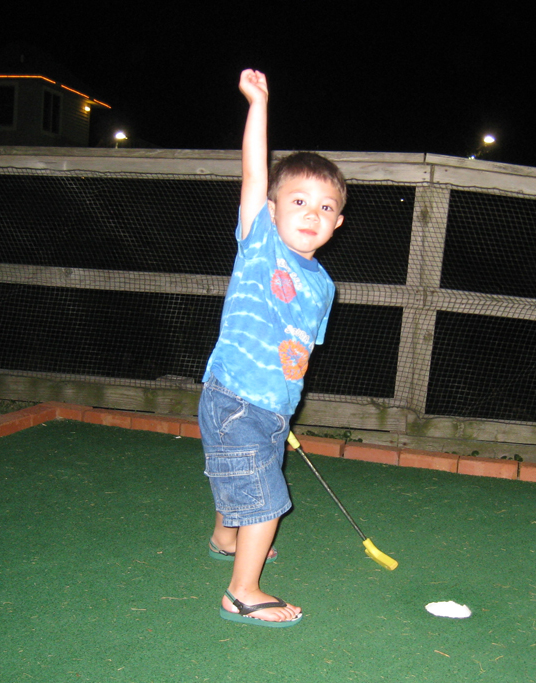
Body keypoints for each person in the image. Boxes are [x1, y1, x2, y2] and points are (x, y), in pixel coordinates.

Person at [198, 68, 346, 627]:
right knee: (265, 497)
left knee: (244, 475)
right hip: (237, 396)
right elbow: (254, 174)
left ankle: (224, 536)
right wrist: (257, 104)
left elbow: (299, 349)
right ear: (273, 208)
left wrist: (283, 407)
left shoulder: (323, 285)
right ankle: (242, 592)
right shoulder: (260, 244)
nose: (312, 213)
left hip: (271, 405)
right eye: (299, 200)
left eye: (325, 207)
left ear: (338, 222)